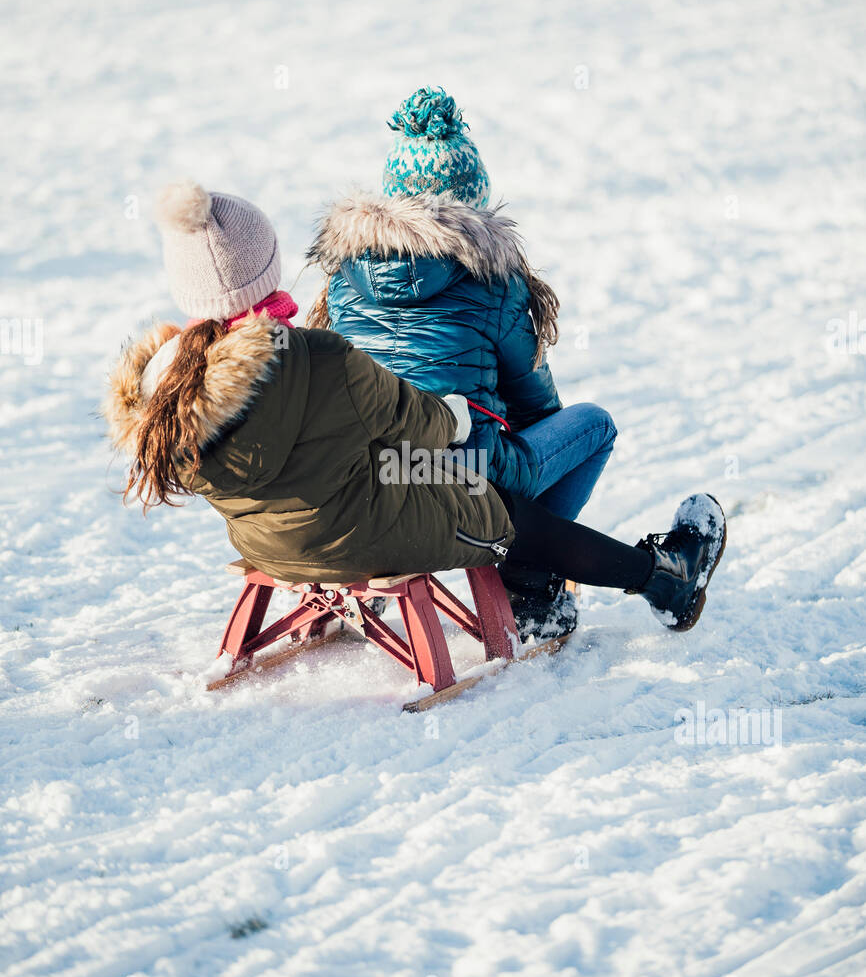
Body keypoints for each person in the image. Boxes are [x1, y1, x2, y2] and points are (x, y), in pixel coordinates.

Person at [104, 182, 726, 642]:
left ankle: (623, 578)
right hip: (365, 533)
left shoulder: (165, 383)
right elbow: (420, 422)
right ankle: (661, 577)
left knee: (429, 479)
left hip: (269, 545)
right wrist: (456, 415)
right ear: (264, 266)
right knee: (489, 500)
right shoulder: (314, 356)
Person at [306, 86, 617, 638]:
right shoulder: (494, 282)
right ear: (472, 205)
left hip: (366, 471)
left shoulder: (341, 280)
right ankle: (529, 578)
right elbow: (535, 402)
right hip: (460, 471)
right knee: (591, 426)